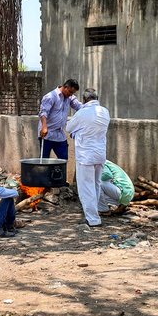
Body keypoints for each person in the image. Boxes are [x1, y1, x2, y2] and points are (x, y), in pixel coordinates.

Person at [65, 88, 111, 227]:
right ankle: (95, 212)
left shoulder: (82, 113)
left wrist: (77, 132)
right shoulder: (105, 112)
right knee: (96, 184)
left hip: (86, 155)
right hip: (100, 154)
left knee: (86, 187)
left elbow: (69, 128)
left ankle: (93, 219)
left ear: (84, 100)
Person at [38, 78, 82, 160]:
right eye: (70, 92)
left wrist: (91, 108)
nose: (71, 94)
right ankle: (44, 173)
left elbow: (79, 106)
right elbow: (43, 112)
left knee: (63, 159)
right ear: (65, 87)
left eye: (73, 93)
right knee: (44, 160)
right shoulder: (51, 96)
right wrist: (44, 127)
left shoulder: (70, 97)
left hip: (60, 135)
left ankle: (59, 173)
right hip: (47, 134)